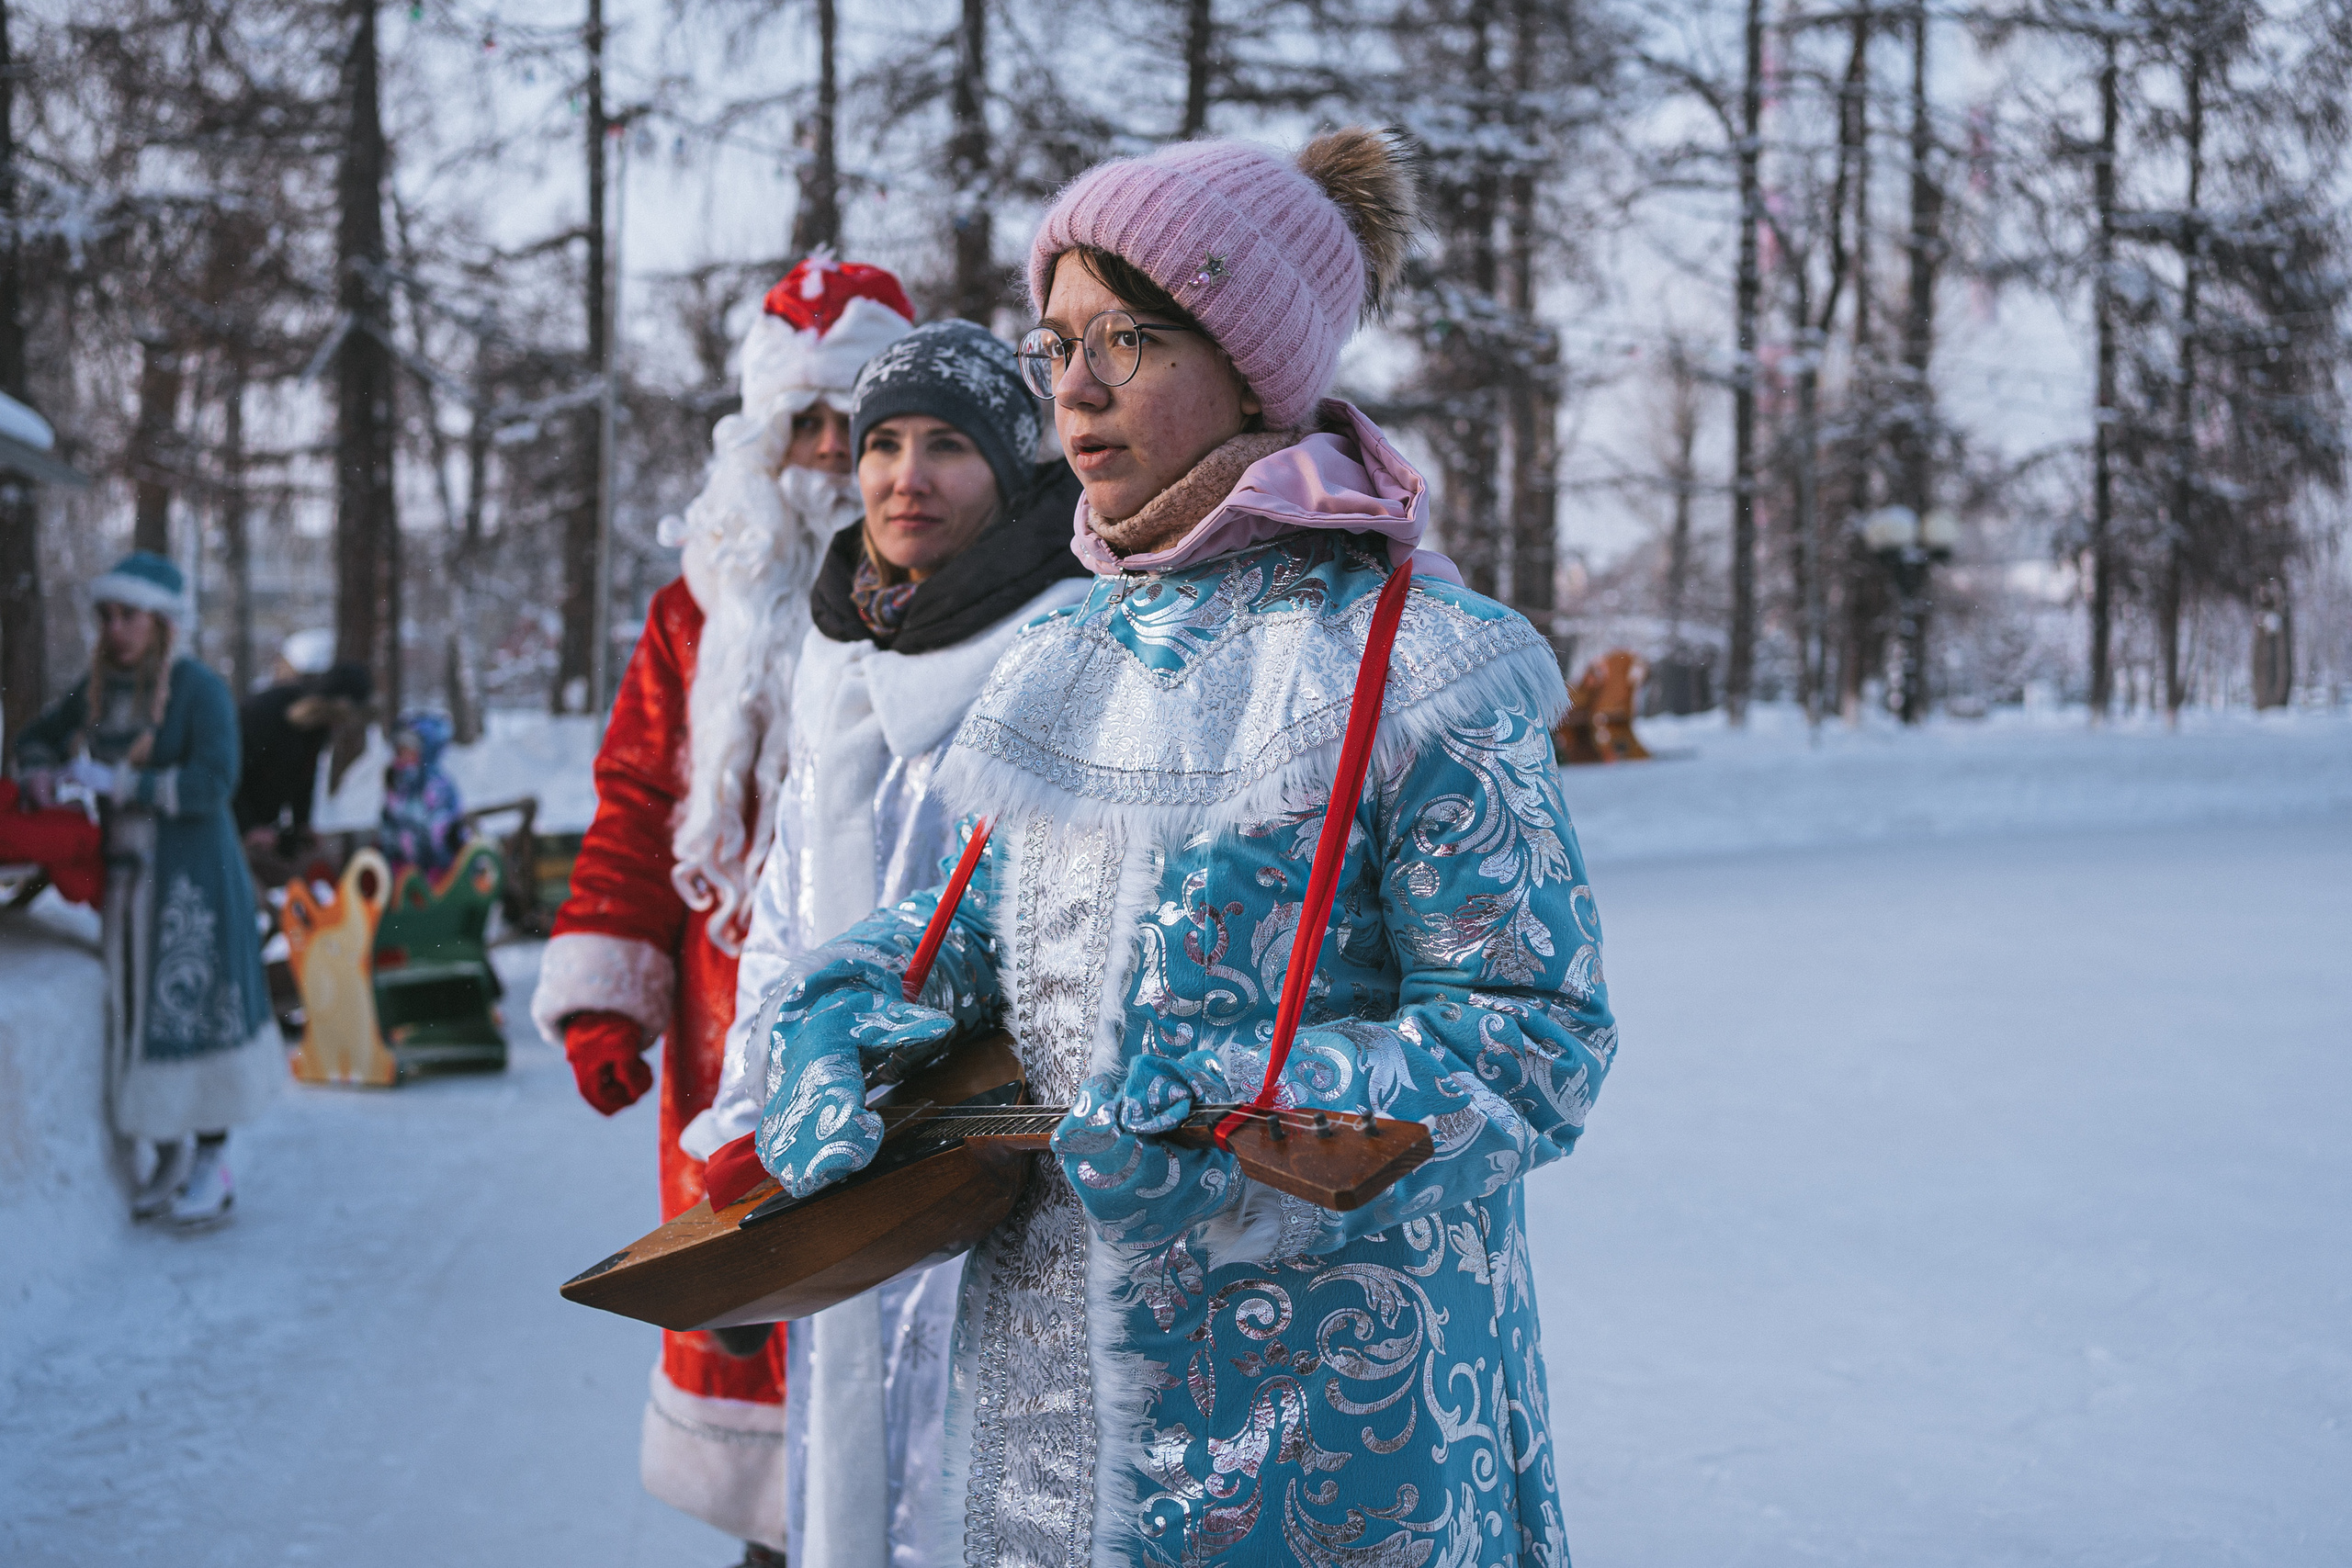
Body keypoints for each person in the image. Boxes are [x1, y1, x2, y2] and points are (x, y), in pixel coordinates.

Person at [741, 130, 1619, 1564]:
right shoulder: (1063, 646)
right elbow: (994, 932)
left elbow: (1535, 1039)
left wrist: (1230, 1116)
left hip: (1327, 1440)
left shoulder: (1419, 665)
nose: (1073, 388)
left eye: (1127, 337)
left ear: (1254, 361)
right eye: (1056, 342)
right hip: (1043, 1420)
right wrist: (839, 999)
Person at [682, 320, 1091, 1568]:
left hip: (995, 1173)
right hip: (833, 1156)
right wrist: (747, 1107)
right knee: (847, 1476)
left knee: (965, 1492)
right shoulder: (841, 648)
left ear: (1016, 474)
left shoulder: (1064, 649)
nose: (904, 476)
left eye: (949, 446)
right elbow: (787, 918)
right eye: (884, 444)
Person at [528, 253, 914, 1561]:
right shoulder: (695, 612)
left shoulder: (940, 594)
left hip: (894, 1000)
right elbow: (639, 797)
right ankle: (771, 1534)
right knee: (754, 1288)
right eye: (795, 424)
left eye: (846, 422)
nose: (819, 455)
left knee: (886, 1300)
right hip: (717, 1019)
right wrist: (604, 987)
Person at [11, 551, 279, 1230]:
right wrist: (42, 771)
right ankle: (166, 1149)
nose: (115, 628)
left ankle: (210, 1161)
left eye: (127, 614)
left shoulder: (199, 689)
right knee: (142, 1013)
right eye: (107, 615)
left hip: (196, 880)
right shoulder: (99, 687)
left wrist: (120, 785)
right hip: (130, 885)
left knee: (198, 1006)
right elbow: (37, 737)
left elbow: (215, 780)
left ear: (160, 620)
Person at [234, 659, 373, 868]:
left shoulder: (318, 729)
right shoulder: (264, 713)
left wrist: (302, 824)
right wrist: (248, 826)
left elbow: (305, 776)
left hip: (265, 825)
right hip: (233, 823)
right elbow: (232, 774)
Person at [378, 712, 465, 874]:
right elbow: (389, 822)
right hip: (402, 867)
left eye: (409, 750)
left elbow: (443, 827)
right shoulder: (397, 783)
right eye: (400, 750)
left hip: (436, 868)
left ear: (424, 752)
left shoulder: (436, 785)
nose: (403, 756)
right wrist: (389, 855)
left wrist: (440, 862)